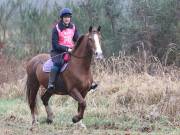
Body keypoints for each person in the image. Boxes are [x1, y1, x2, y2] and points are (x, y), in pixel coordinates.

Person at [46, 8, 98, 94]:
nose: (67, 19)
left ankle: (90, 82)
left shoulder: (73, 27)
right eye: (65, 17)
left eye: (68, 17)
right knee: (58, 64)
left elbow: (77, 40)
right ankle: (51, 84)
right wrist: (67, 49)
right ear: (62, 18)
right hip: (58, 52)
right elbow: (55, 45)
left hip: (71, 50)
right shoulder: (56, 29)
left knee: (82, 63)